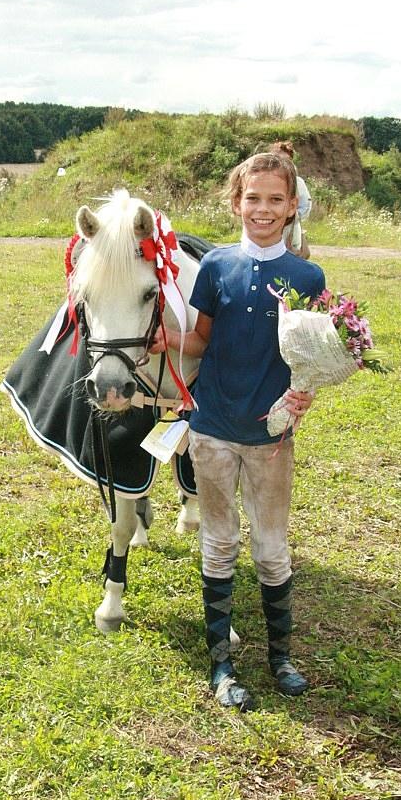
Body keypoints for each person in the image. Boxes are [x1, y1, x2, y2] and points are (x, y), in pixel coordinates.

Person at [150, 152, 325, 711]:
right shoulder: (217, 268)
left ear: (292, 205)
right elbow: (201, 340)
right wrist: (166, 342)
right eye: (253, 198)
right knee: (220, 543)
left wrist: (307, 392)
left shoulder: (307, 276)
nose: (264, 209)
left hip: (269, 436)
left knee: (272, 550)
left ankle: (280, 657)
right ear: (236, 203)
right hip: (213, 431)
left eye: (276, 199)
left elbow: (314, 356)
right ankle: (221, 664)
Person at [270, 140, 312, 258]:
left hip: (291, 227)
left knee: (294, 257)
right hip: (269, 226)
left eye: (286, 160)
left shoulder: (298, 182)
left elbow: (305, 206)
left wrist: (289, 216)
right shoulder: (265, 182)